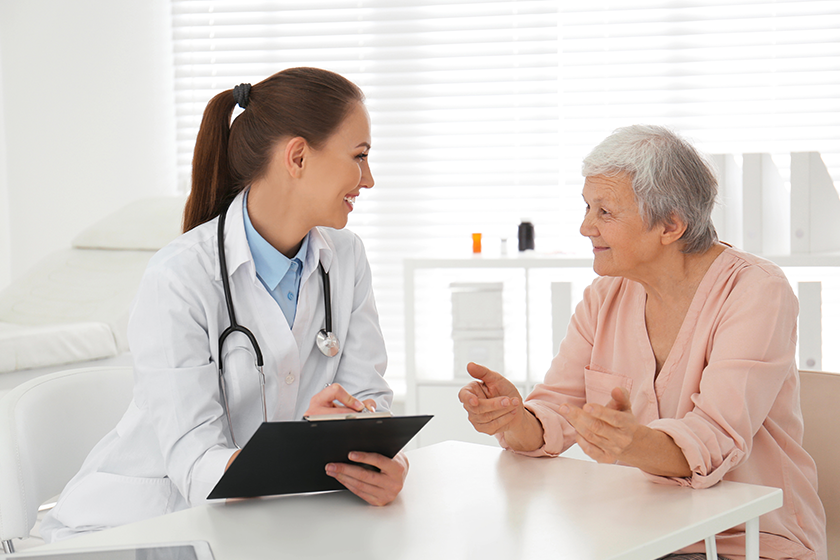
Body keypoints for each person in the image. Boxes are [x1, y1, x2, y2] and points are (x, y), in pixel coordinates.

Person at [42, 67, 407, 542]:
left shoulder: (346, 258)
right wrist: (303, 440)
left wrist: (385, 461)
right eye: (359, 157)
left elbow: (369, 401)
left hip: (271, 523)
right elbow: (197, 466)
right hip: (144, 530)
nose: (369, 179)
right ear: (297, 156)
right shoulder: (180, 277)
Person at [458, 125, 827, 560]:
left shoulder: (756, 291)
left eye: (605, 212)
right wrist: (512, 417)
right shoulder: (604, 296)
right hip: (637, 531)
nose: (584, 226)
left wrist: (632, 443)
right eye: (586, 207)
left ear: (671, 224)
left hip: (745, 539)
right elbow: (556, 411)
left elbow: (716, 436)